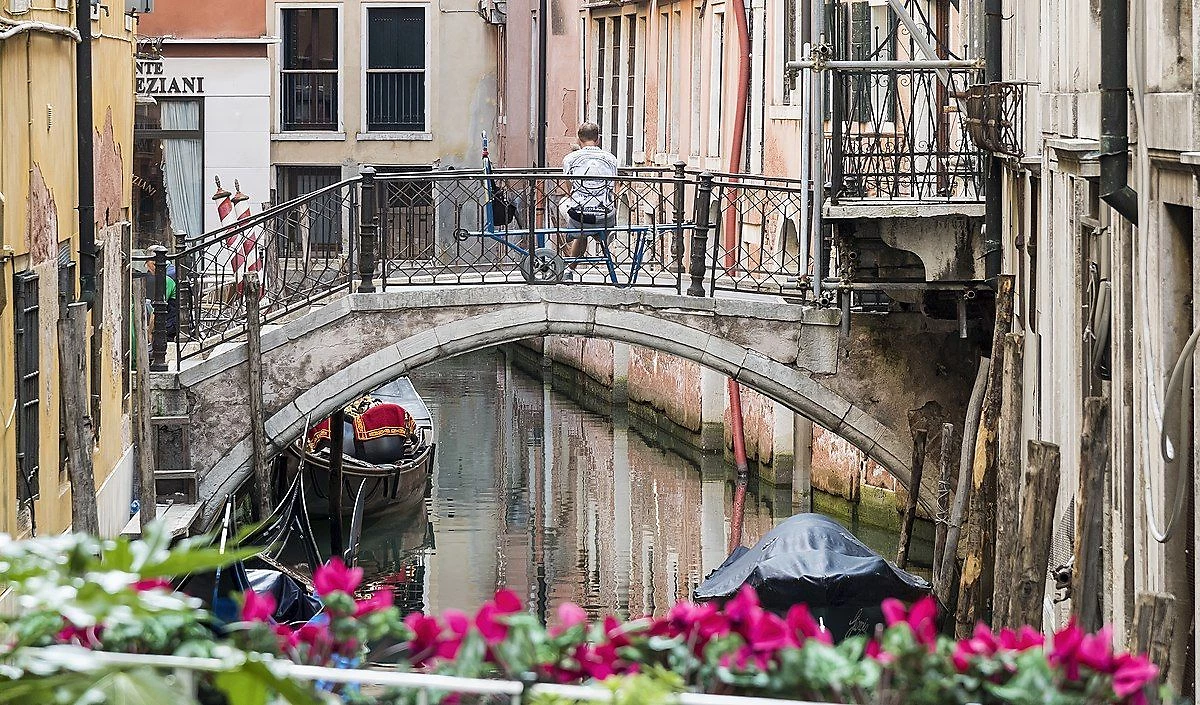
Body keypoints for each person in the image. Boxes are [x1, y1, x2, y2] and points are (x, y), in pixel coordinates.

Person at [558, 122, 618, 279]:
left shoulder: (570, 158)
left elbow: (569, 188)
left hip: (580, 217)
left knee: (564, 203)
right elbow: (612, 187)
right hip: (606, 216)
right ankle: (601, 234)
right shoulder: (611, 159)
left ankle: (569, 268)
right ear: (597, 139)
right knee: (588, 225)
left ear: (579, 140)